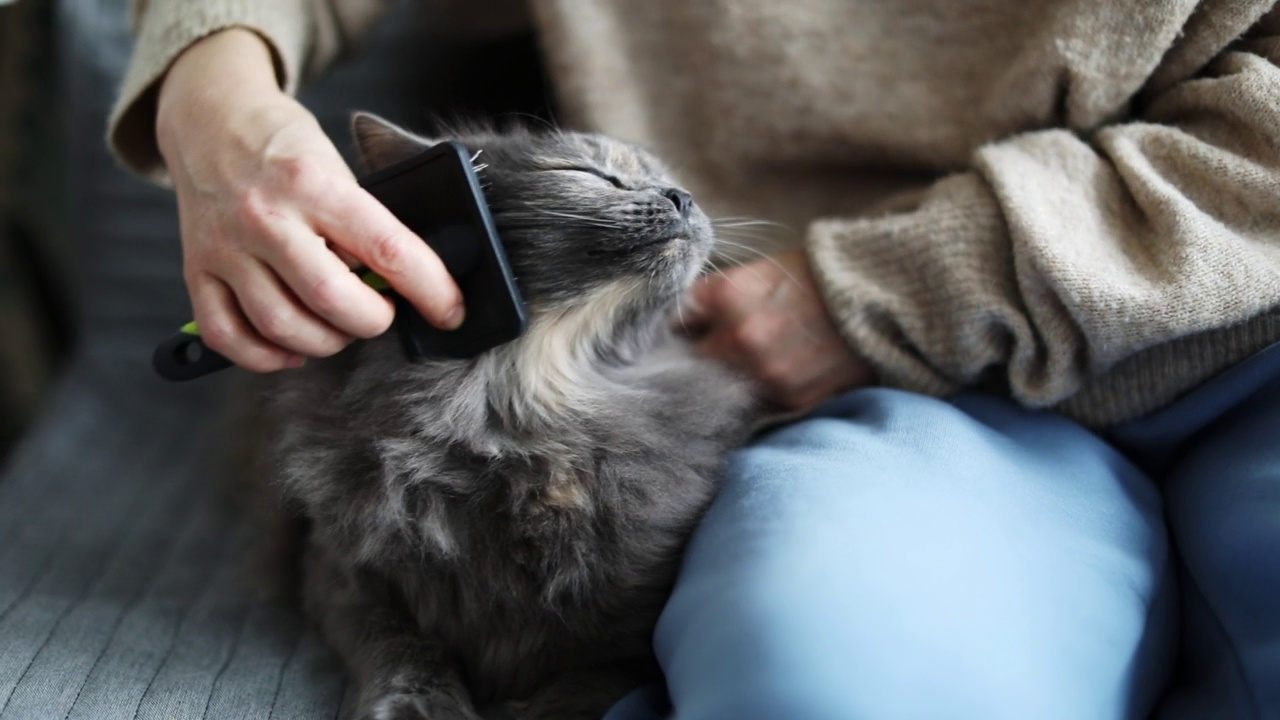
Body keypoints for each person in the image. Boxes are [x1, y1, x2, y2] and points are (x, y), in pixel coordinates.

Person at [109, 2, 1280, 718]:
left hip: (1244, 339)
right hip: (908, 410)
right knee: (824, 685)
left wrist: (903, 284)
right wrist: (212, 91)